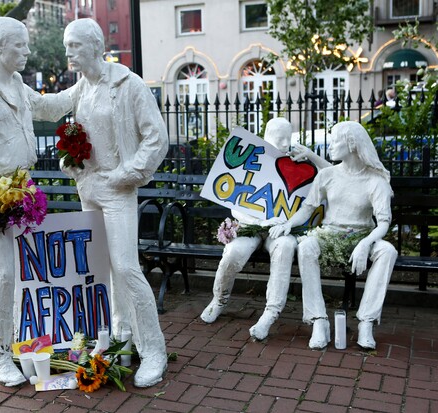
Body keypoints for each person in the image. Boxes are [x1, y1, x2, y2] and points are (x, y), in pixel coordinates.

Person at [0, 17, 70, 387]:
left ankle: (24, 343)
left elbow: (49, 108)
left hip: (24, 188)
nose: (26, 51)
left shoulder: (18, 84)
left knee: (29, 276)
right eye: (19, 45)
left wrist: (88, 82)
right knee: (4, 276)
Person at [59, 18, 169, 388]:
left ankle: (153, 349)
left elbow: (157, 139)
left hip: (118, 187)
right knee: (99, 271)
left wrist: (126, 174)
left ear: (94, 45)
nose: (68, 52)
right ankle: (116, 338)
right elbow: (46, 107)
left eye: (74, 45)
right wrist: (5, 78)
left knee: (125, 267)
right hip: (88, 188)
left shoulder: (128, 84)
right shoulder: (79, 90)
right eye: (66, 45)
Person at [200, 118, 331, 343]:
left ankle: (270, 313)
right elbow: (236, 203)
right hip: (251, 225)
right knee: (233, 253)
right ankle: (219, 299)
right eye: (279, 139)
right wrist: (259, 223)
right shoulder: (251, 156)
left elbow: (334, 175)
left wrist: (311, 156)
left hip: (280, 229)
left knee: (287, 245)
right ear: (266, 136)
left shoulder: (297, 161)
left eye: (287, 139)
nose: (283, 144)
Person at [269, 121, 396, 350]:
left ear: (351, 144)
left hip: (363, 235)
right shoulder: (327, 175)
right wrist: (288, 224)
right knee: (306, 246)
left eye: (335, 140)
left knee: (387, 251)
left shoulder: (376, 181)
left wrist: (366, 244)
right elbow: (308, 209)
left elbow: (383, 223)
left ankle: (366, 322)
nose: (330, 146)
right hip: (330, 235)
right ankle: (319, 321)